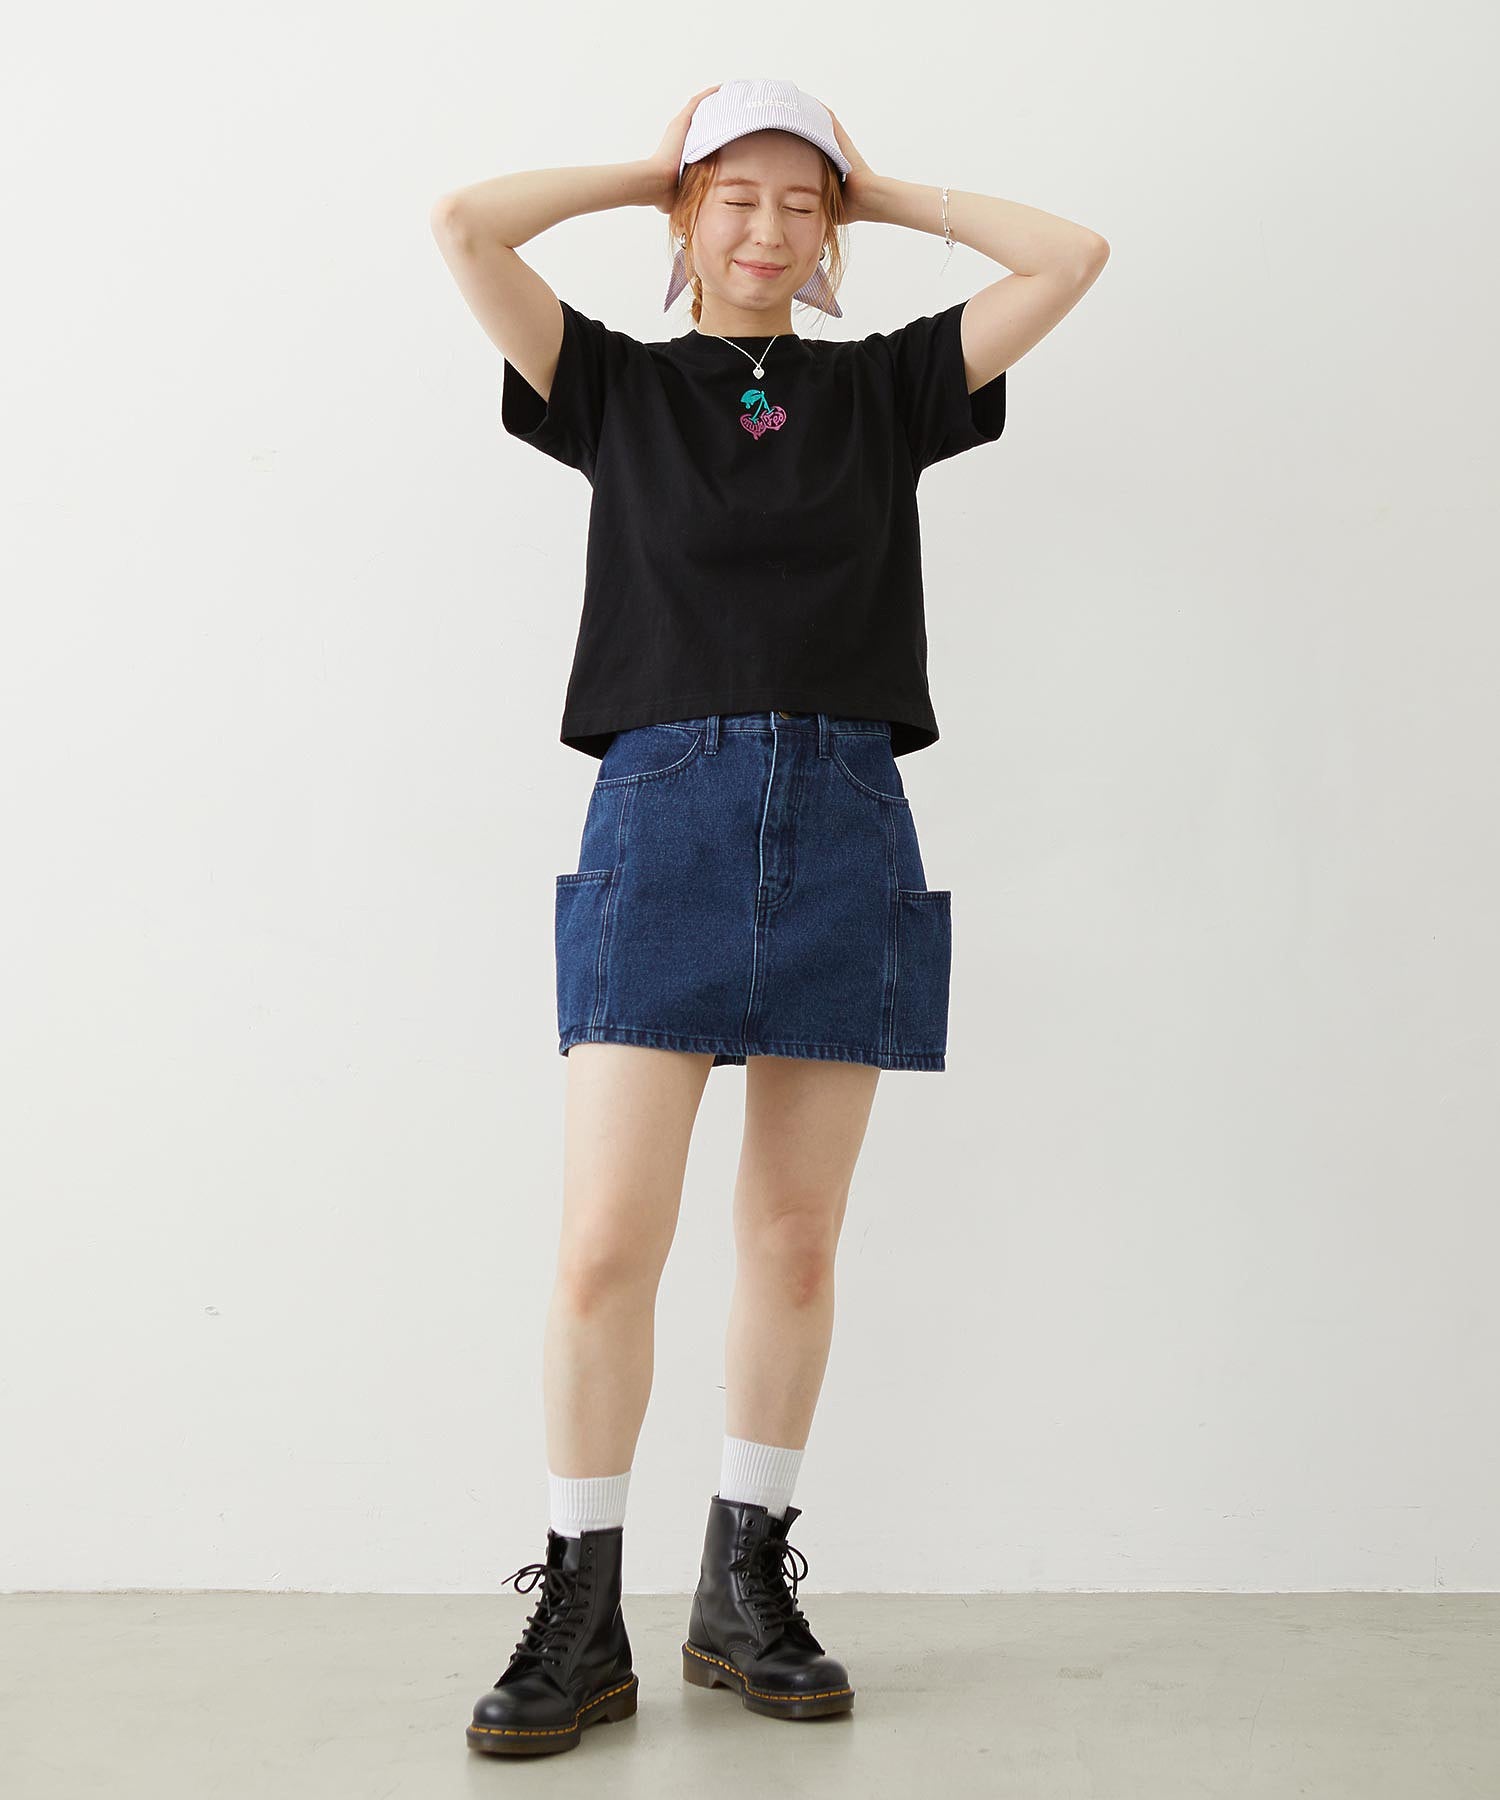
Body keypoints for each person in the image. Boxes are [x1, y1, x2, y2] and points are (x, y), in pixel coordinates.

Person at [430, 77, 1109, 1757]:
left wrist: (882, 195)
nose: (766, 226)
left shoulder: (885, 388)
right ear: (688, 214)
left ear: (831, 231)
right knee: (607, 1242)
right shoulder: (612, 385)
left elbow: (1070, 254)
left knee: (795, 1239)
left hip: (845, 811)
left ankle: (743, 1590)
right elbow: (464, 225)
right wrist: (651, 167)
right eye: (734, 197)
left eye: (799, 203)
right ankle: (580, 1611)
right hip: (660, 813)